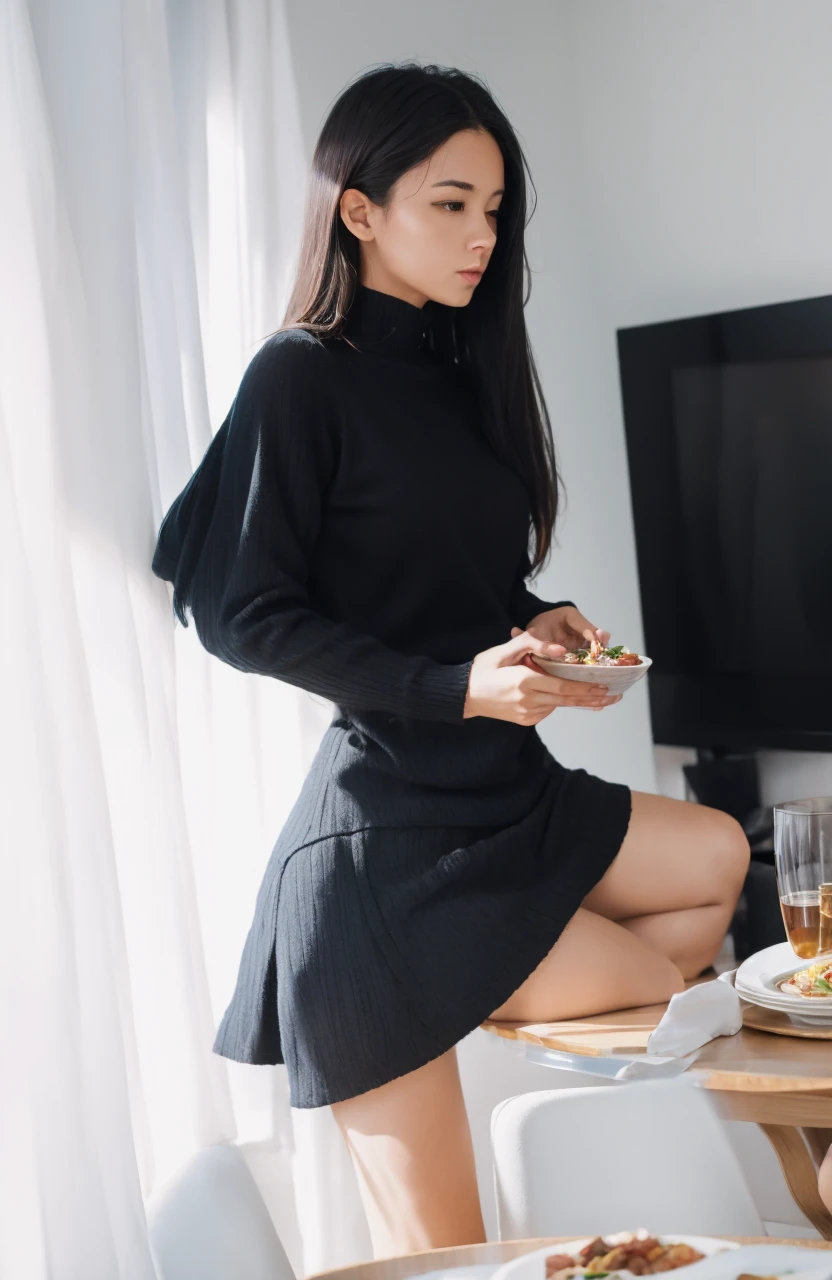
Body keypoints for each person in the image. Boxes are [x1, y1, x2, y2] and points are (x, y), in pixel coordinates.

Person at [151, 62, 750, 1258]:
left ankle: (484, 970)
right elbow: (239, 613)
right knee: (452, 1258)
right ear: (358, 210)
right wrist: (456, 686)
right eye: (451, 202)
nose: (483, 234)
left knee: (720, 850)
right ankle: (459, 976)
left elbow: (432, 584)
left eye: (494, 209)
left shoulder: (457, 376)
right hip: (378, 864)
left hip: (496, 796)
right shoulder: (301, 372)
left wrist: (535, 619)